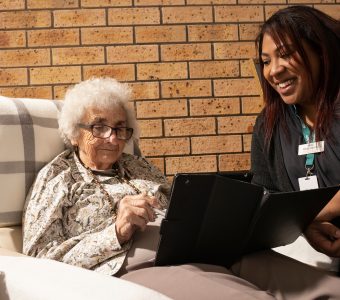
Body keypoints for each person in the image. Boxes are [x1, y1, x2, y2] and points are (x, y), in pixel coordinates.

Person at [121, 6, 340, 299]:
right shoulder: (269, 124)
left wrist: (307, 217)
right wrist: (304, 225)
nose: (274, 70)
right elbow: (270, 194)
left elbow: (292, 210)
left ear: (320, 51)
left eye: (286, 54)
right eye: (265, 61)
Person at [23, 77, 170, 276]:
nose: (113, 138)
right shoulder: (58, 178)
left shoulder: (138, 165)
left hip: (186, 256)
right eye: (99, 127)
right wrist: (116, 232)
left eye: (119, 128)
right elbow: (38, 263)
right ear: (75, 133)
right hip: (129, 275)